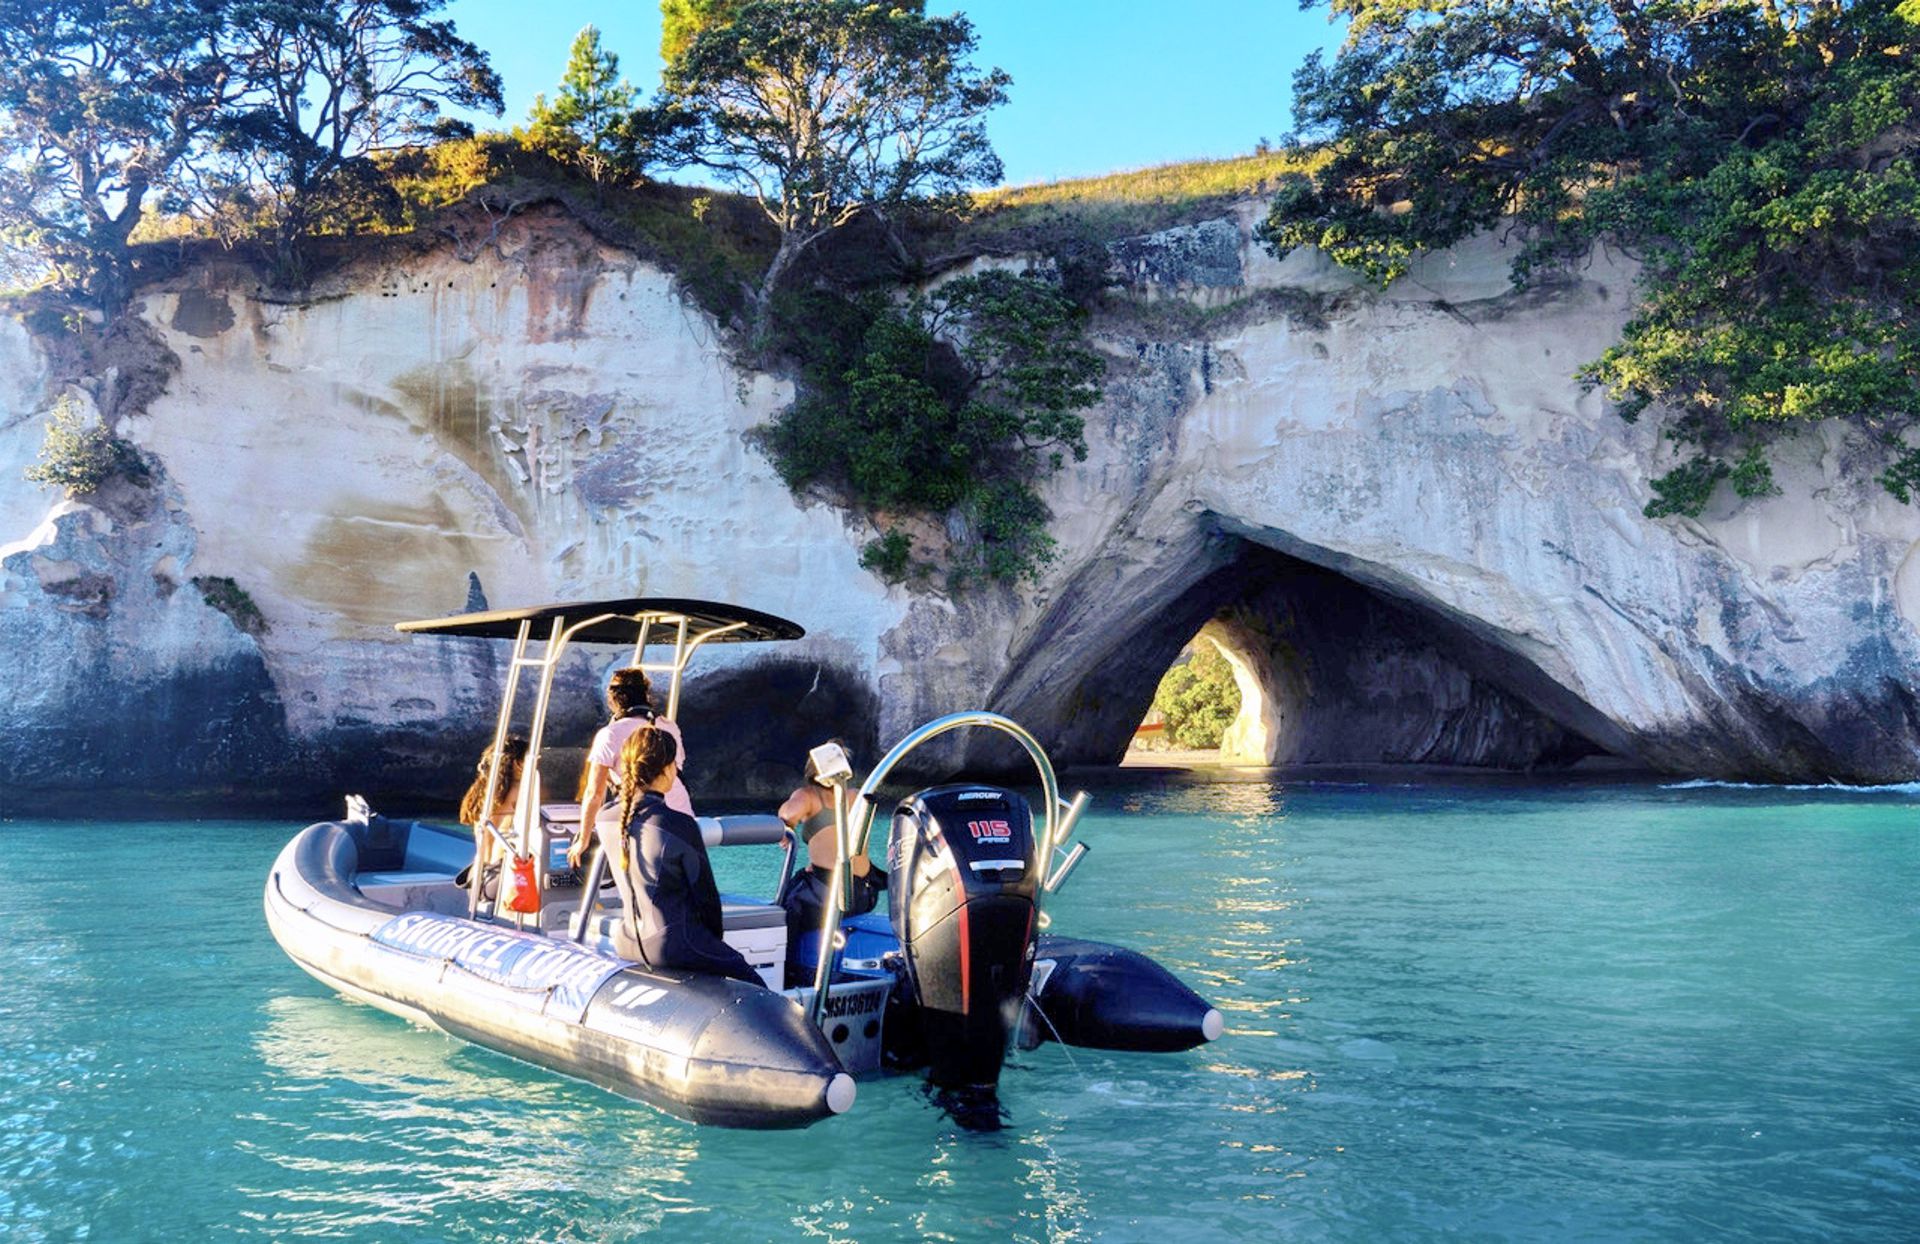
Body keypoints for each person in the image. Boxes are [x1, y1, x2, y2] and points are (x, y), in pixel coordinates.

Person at [598, 725, 761, 986]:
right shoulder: (677, 824)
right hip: (673, 945)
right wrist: (711, 946)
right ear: (665, 770)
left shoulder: (605, 818)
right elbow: (706, 900)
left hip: (627, 941)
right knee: (752, 981)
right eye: (674, 764)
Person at [778, 742, 887, 969]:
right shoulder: (857, 796)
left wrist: (786, 826)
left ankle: (787, 969)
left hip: (828, 893)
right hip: (864, 892)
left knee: (786, 904)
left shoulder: (808, 796)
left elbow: (788, 813)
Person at [569, 667, 690, 870]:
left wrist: (583, 839)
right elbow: (677, 769)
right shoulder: (669, 727)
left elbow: (594, 794)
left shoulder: (610, 734)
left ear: (614, 699)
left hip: (645, 822)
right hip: (683, 818)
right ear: (645, 695)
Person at [457, 735, 528, 888]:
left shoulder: (481, 792)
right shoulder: (523, 792)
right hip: (500, 876)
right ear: (518, 764)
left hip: (478, 875)